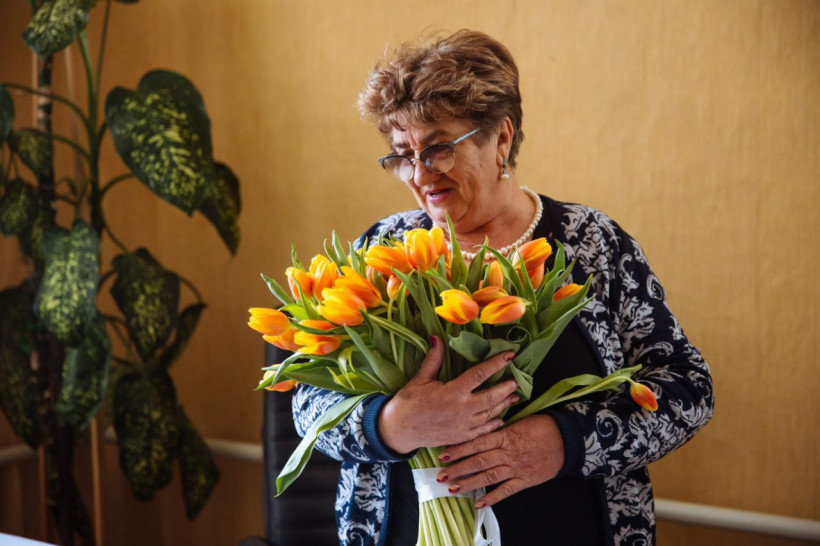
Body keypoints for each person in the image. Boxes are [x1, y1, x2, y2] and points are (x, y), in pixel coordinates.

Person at [292, 29, 714, 546]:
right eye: (402, 155)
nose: (420, 175)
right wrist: (392, 425)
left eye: (439, 148)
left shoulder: (592, 245)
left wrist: (565, 442)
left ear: (502, 139)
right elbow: (308, 404)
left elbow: (688, 389)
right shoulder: (381, 250)